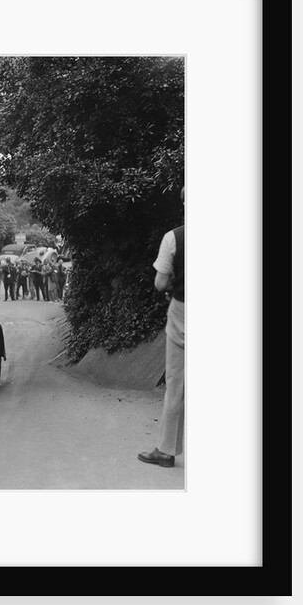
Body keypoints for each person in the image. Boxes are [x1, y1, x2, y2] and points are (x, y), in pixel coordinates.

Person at [139, 188, 185, 469]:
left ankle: (167, 450)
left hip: (183, 312)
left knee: (177, 382)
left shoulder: (174, 237)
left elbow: (159, 283)